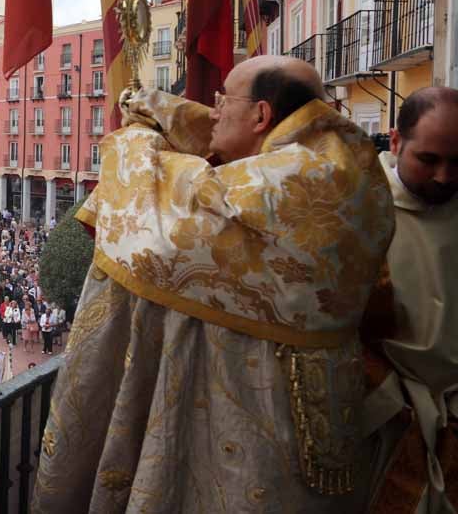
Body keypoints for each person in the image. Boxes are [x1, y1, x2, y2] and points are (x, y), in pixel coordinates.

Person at [33, 57, 394, 513]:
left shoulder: (291, 184)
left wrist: (137, 136)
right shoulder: (353, 173)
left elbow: (155, 221)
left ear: (262, 115)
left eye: (224, 100)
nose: (214, 110)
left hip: (257, 413)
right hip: (314, 414)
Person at [363, 87, 458, 513]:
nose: (444, 177)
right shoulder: (359, 207)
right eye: (428, 160)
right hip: (385, 413)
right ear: (396, 142)